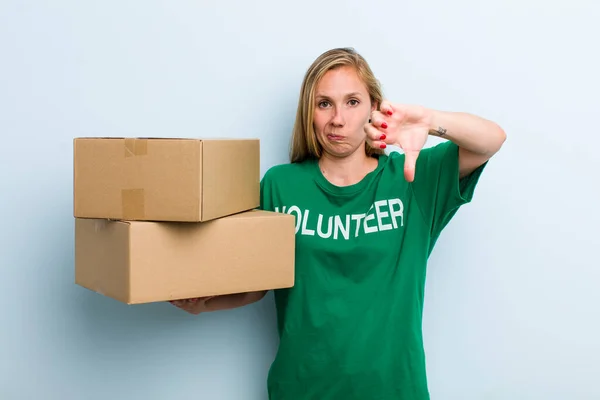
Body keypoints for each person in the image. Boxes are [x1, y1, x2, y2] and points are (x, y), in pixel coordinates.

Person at [171, 47, 506, 399]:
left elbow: (491, 140)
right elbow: (257, 282)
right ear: (309, 113)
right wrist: (204, 302)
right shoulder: (280, 185)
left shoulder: (412, 178)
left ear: (375, 109)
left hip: (393, 389)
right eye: (324, 104)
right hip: (301, 388)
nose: (338, 119)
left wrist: (429, 120)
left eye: (352, 102)